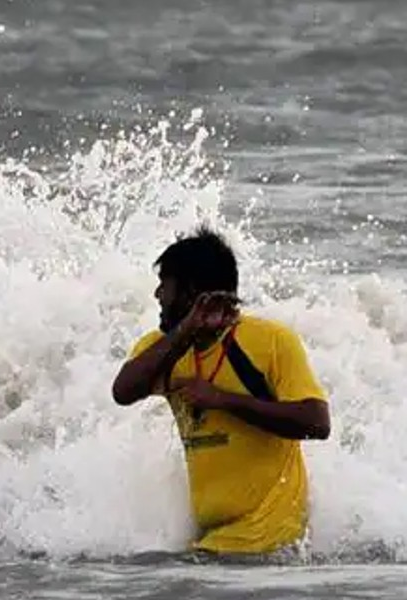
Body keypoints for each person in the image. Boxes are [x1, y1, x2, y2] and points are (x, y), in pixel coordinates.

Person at [111, 225, 331, 556]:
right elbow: (124, 391)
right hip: (215, 545)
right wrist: (186, 331)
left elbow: (316, 422)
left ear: (192, 293)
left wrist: (223, 400)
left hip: (269, 544)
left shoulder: (269, 340)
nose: (157, 295)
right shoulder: (165, 348)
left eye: (165, 285)